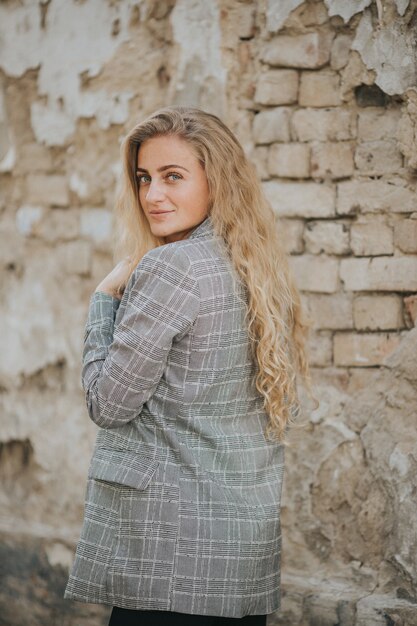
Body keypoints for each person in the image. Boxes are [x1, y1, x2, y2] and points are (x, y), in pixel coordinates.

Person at [64, 106, 316, 625]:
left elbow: (107, 403)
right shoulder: (253, 265)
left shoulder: (170, 267)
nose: (153, 195)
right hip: (237, 557)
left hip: (169, 558)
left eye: (172, 176)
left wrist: (103, 299)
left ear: (215, 179)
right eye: (143, 178)